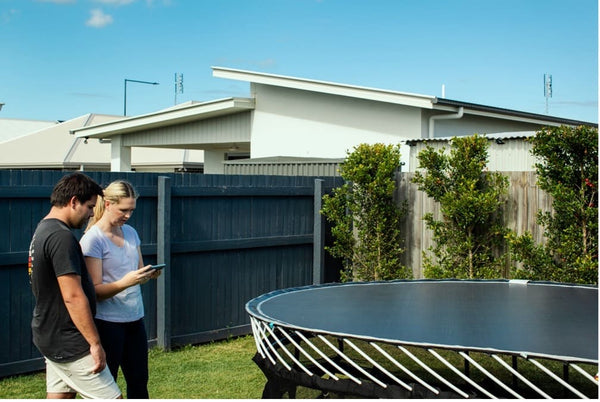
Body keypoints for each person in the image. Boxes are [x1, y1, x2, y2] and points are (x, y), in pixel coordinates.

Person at [28, 172, 122, 399]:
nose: (91, 214)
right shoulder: (61, 237)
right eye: (90, 207)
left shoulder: (43, 230)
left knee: (60, 396)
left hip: (49, 335)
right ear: (73, 202)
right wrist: (94, 343)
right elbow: (72, 296)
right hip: (70, 341)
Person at [80, 180, 161, 399]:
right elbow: (95, 291)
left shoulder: (131, 233)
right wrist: (127, 282)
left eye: (132, 210)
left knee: (139, 382)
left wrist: (147, 274)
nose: (128, 215)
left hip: (135, 319)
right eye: (123, 210)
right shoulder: (93, 240)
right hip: (107, 323)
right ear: (107, 204)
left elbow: (136, 271)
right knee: (108, 386)